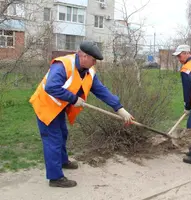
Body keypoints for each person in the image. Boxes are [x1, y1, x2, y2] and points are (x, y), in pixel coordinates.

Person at [29, 41, 134, 188]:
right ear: (83, 56)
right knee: (53, 139)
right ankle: (55, 178)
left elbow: (101, 91)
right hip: (46, 106)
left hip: (59, 107)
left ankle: (63, 161)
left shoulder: (89, 72)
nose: (94, 63)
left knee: (63, 133)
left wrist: (120, 109)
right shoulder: (63, 65)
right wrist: (73, 99)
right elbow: (51, 86)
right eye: (93, 60)